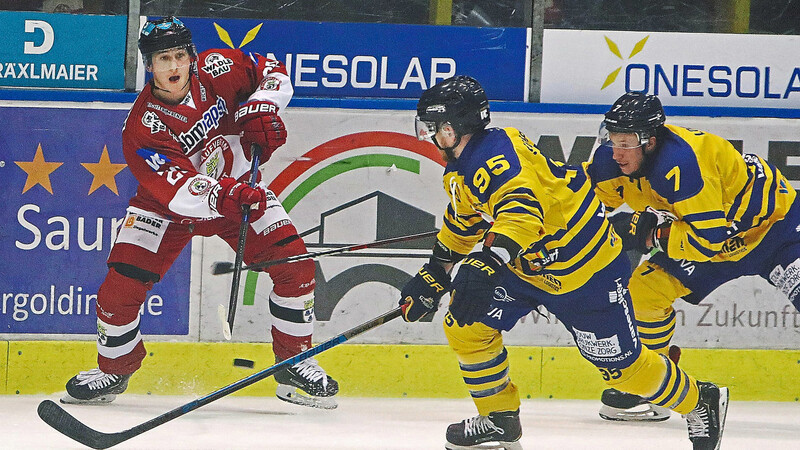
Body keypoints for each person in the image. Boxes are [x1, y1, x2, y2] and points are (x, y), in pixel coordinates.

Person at [400, 75, 728, 450]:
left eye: (432, 129)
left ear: (452, 127)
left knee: (623, 371)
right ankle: (499, 418)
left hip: (586, 270)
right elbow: (466, 217)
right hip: (528, 265)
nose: (428, 137)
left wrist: (486, 260)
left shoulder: (494, 159)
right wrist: (436, 269)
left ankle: (700, 400)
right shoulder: (464, 165)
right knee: (465, 323)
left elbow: (521, 213)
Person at [61, 16, 338, 409]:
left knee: (296, 267)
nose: (173, 67)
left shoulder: (218, 67)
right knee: (118, 290)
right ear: (149, 66)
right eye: (162, 60)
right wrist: (229, 192)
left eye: (178, 56)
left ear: (192, 56)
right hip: (167, 207)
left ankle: (294, 366)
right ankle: (115, 369)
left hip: (239, 191)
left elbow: (272, 68)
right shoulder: (142, 126)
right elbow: (179, 191)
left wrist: (261, 106)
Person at [584, 91, 798, 422]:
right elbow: (581, 207)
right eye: (613, 139)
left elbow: (707, 241)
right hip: (713, 236)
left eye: (626, 143)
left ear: (650, 141)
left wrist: (649, 235)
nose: (617, 151)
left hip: (775, 228)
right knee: (642, 294)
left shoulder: (682, 163)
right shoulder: (610, 162)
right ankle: (652, 385)